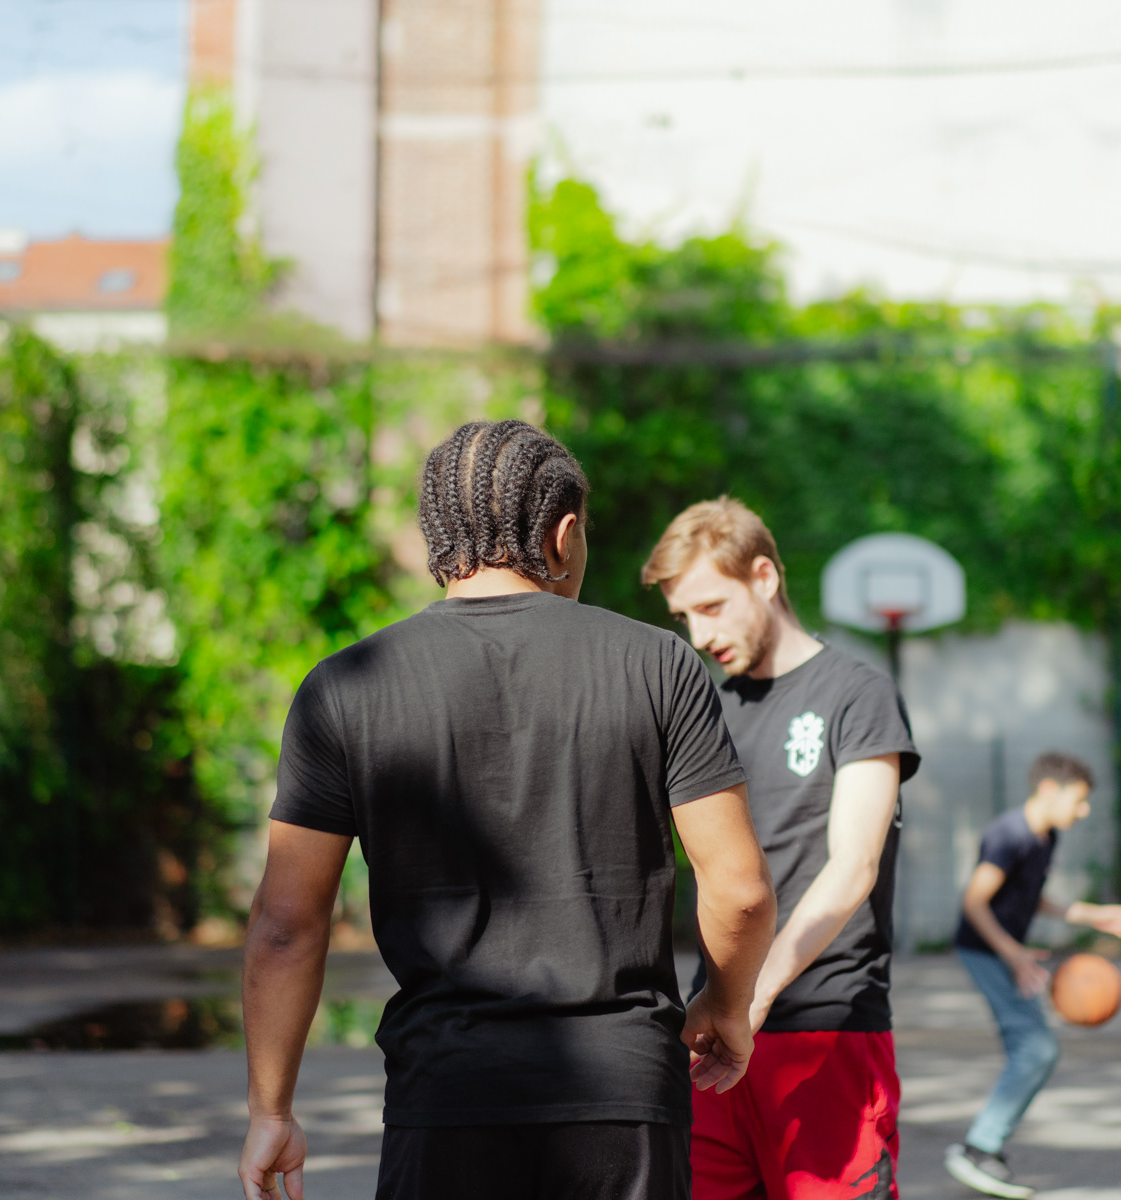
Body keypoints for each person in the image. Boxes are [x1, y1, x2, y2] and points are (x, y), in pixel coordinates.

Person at [238, 420, 778, 1200]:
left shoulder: (344, 687)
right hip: (624, 1096)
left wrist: (271, 1109)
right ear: (563, 536)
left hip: (443, 1096)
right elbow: (740, 890)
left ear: (437, 541)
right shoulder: (659, 664)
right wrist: (727, 1006)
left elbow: (286, 924)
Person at [645, 497, 920, 1200]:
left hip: (826, 1030)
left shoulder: (859, 694)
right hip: (718, 1036)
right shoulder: (711, 710)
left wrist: (754, 993)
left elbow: (854, 865)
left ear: (764, 577)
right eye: (684, 617)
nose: (700, 634)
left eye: (711, 606)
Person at [942, 752, 1121, 1200]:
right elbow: (974, 901)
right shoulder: (1008, 835)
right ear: (1049, 790)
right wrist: (1013, 954)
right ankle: (978, 1148)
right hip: (985, 951)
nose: (1083, 810)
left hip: (1006, 953)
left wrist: (1093, 915)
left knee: (1035, 1050)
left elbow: (1032, 897)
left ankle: (984, 1147)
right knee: (1036, 1049)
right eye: (1079, 800)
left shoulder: (1044, 837)